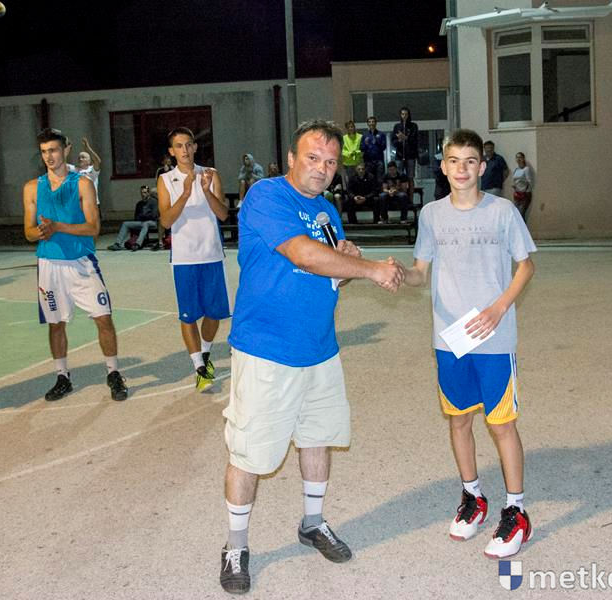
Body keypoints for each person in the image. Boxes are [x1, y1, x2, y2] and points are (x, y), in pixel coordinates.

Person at [219, 119, 406, 594]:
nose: (322, 168)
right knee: (250, 451)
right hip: (267, 349)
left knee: (318, 438)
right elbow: (302, 255)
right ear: (291, 158)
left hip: (320, 349)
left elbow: (325, 275)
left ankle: (312, 523)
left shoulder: (326, 211)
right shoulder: (267, 195)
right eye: (313, 157)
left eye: (330, 161)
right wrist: (370, 270)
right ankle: (236, 545)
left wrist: (346, 263)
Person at [404, 128, 536, 560]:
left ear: (482, 166)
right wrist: (397, 274)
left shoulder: (502, 212)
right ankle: (473, 497)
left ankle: (516, 510)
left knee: (501, 424)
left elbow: (526, 266)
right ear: (443, 167)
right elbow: (420, 272)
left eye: (470, 161)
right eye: (454, 161)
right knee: (459, 420)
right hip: (450, 338)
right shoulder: (431, 215)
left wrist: (499, 307)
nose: (461, 169)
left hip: (494, 336)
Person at [22, 128, 128, 402]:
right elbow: (28, 232)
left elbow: (93, 228)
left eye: (53, 150)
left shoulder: (82, 184)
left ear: (65, 150)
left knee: (103, 318)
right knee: (56, 324)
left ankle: (114, 372)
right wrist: (40, 232)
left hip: (81, 262)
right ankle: (62, 376)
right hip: (49, 265)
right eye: (44, 152)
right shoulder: (32, 187)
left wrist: (57, 227)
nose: (49, 156)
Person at [157, 127, 230, 392]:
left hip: (211, 254)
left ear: (195, 147)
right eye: (179, 146)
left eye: (189, 144)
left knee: (214, 314)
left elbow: (223, 214)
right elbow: (166, 221)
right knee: (188, 316)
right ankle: (199, 366)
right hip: (184, 258)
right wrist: (186, 193)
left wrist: (206, 192)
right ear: (171, 151)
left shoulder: (210, 174)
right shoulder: (166, 180)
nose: (185, 150)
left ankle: (206, 353)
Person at [107, 185, 158, 251]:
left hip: (152, 222)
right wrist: (142, 217)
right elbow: (136, 217)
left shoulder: (153, 202)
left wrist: (143, 216)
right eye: (141, 193)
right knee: (125, 224)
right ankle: (117, 244)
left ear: (148, 193)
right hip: (141, 222)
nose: (143, 194)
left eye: (145, 192)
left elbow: (153, 215)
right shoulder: (139, 204)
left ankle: (137, 244)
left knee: (146, 224)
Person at [391, 107, 419, 198]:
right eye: (402, 114)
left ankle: (410, 200)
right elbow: (393, 142)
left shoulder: (413, 126)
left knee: (410, 178)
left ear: (409, 115)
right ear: (400, 115)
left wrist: (406, 138)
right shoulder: (397, 126)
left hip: (410, 156)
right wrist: (399, 140)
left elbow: (415, 140)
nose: (404, 116)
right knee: (398, 178)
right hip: (399, 156)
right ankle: (400, 199)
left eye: (406, 114)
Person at [360, 116, 387, 181]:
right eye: (369, 122)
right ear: (367, 124)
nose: (371, 123)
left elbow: (384, 147)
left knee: (380, 180)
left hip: (379, 161)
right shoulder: (364, 135)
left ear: (376, 123)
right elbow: (361, 148)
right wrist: (365, 144)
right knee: (369, 180)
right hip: (368, 161)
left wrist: (377, 142)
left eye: (373, 122)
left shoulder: (381, 134)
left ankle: (379, 188)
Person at [512, 152, 533, 221]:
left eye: (520, 157)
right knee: (516, 214)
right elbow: (515, 180)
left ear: (523, 159)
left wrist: (525, 191)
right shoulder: (516, 169)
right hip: (517, 193)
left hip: (525, 194)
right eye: (517, 157)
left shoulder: (526, 169)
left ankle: (523, 227)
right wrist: (515, 186)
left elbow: (529, 182)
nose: (518, 159)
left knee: (521, 214)